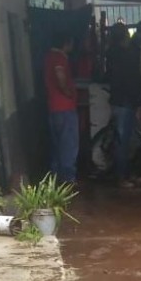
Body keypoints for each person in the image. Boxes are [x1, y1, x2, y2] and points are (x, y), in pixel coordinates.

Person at [105, 23, 141, 188]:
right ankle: (123, 176)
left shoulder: (111, 53)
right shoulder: (130, 55)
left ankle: (125, 174)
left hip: (116, 100)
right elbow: (134, 81)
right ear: (126, 36)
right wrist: (139, 104)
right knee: (125, 141)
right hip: (127, 102)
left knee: (123, 140)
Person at [43, 30, 78, 183]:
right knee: (68, 144)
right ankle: (68, 178)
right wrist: (68, 92)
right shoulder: (59, 58)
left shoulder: (48, 57)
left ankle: (55, 178)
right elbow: (60, 77)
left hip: (53, 108)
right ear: (66, 43)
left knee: (56, 145)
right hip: (64, 108)